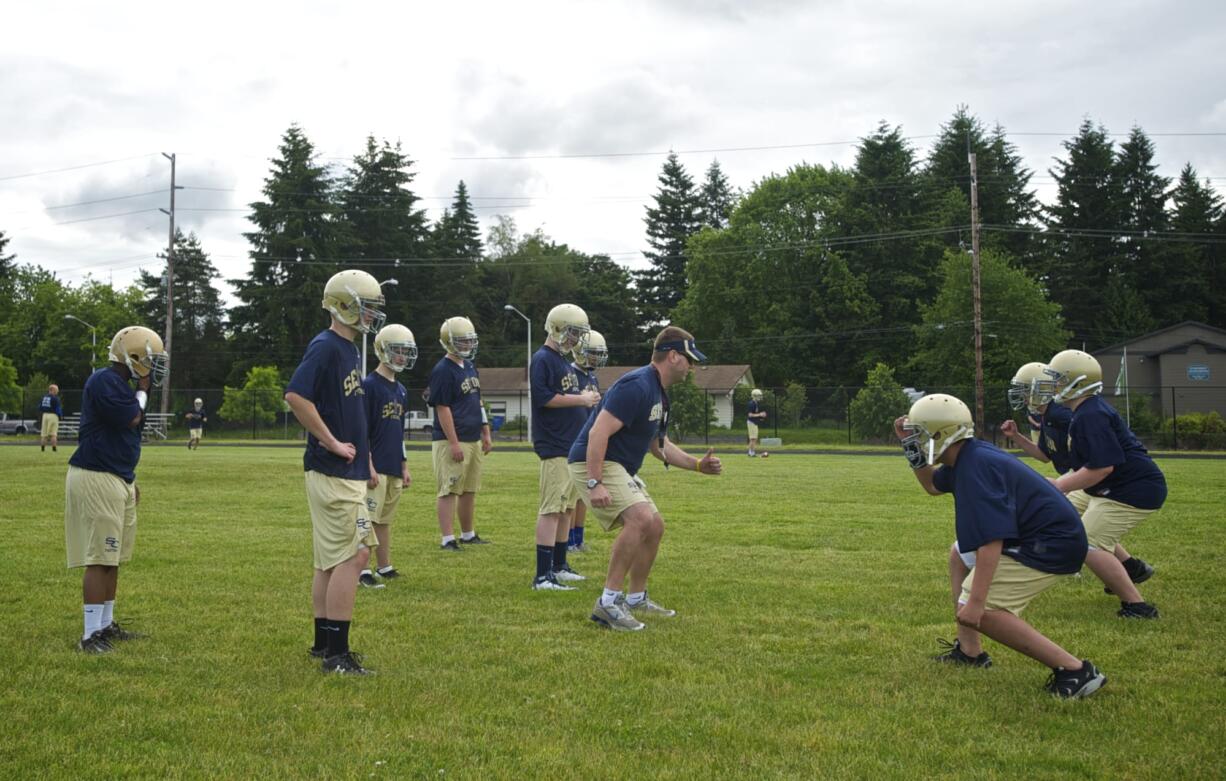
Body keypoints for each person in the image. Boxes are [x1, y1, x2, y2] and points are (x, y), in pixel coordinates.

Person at [896, 393, 1107, 699]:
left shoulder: (974, 467)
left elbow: (990, 541)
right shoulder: (967, 455)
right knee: (959, 554)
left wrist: (977, 604)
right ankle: (970, 652)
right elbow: (931, 486)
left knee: (986, 611)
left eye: (919, 436)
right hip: (1042, 534)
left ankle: (1076, 670)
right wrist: (908, 448)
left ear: (940, 435)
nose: (915, 442)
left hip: (1051, 543)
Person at [569, 326, 722, 631]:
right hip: (595, 462)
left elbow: (658, 445)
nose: (692, 367)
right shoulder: (636, 385)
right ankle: (608, 604)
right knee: (640, 519)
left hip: (618, 466)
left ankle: (636, 598)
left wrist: (696, 465)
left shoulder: (660, 395)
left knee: (654, 525)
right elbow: (599, 431)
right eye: (689, 359)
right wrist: (595, 481)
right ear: (673, 356)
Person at [284, 269, 385, 675]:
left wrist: (368, 462)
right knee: (356, 553)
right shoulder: (327, 346)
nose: (372, 315)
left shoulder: (348, 349)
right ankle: (337, 656)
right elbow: (295, 395)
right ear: (345, 305)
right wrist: (329, 441)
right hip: (332, 470)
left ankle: (323, 643)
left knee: (329, 560)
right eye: (367, 307)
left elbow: (351, 415)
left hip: (346, 470)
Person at [1001, 361, 1155, 598]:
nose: (1019, 394)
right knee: (1071, 519)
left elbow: (1100, 462)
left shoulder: (1071, 413)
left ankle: (1134, 600)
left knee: (1083, 535)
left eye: (1023, 388)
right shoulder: (1055, 414)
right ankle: (1130, 567)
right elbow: (1045, 455)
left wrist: (1062, 483)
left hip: (1100, 477)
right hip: (1093, 476)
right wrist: (1018, 438)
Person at [65, 326, 167, 653]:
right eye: (150, 359)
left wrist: (129, 479)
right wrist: (143, 389)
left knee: (113, 557)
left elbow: (125, 437)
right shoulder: (104, 381)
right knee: (100, 557)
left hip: (116, 475)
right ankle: (89, 634)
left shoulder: (119, 384)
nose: (154, 366)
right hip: (97, 475)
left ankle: (106, 624)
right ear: (132, 356)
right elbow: (131, 419)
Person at [1042, 349, 1164, 619]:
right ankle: (1130, 567)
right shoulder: (1085, 411)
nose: (1053, 386)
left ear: (1077, 382)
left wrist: (1059, 485)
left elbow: (1101, 468)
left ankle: (1137, 606)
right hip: (1115, 484)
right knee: (1066, 510)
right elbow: (1090, 467)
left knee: (1089, 543)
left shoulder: (1090, 415)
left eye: (1058, 379)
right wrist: (1060, 486)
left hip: (1131, 489)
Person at [530, 304, 600, 591]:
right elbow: (545, 397)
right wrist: (580, 400)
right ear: (557, 327)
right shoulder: (543, 358)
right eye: (572, 332)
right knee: (551, 510)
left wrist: (580, 396)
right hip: (554, 444)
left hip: (569, 446)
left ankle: (559, 565)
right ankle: (543, 575)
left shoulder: (561, 360)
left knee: (565, 509)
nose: (575, 339)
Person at [427, 316, 492, 551]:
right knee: (449, 489)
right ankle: (447, 538)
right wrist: (453, 443)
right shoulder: (443, 370)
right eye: (463, 341)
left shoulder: (470, 366)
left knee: (469, 489)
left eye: (469, 340)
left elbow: (478, 401)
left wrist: (485, 432)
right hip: (452, 439)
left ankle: (468, 534)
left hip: (472, 437)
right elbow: (442, 408)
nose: (468, 345)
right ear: (450, 341)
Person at [358, 324, 416, 589]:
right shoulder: (369, 386)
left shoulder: (401, 390)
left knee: (384, 520)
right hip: (375, 466)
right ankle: (362, 569)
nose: (402, 356)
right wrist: (368, 465)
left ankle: (384, 566)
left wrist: (404, 466)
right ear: (383, 350)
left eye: (406, 351)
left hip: (392, 465)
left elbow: (399, 432)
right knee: (368, 520)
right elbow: (362, 431)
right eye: (398, 351)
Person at [569, 329, 608, 554]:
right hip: (573, 437)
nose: (596, 358)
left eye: (598, 354)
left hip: (587, 439)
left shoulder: (592, 376)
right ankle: (568, 540)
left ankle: (578, 538)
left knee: (583, 496)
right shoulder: (570, 374)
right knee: (572, 497)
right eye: (592, 353)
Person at [40, 383, 63, 452]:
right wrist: (60, 416)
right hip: (53, 415)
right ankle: (54, 449)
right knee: (53, 434)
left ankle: (43, 449)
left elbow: (39, 407)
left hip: (44, 415)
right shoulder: (55, 399)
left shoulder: (44, 397)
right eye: (56, 390)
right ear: (52, 390)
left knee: (44, 434)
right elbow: (58, 409)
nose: (57, 391)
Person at [747, 388, 767, 457]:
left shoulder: (756, 403)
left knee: (754, 438)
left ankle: (751, 452)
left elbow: (754, 414)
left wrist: (761, 417)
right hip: (751, 422)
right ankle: (751, 452)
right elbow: (750, 415)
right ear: (754, 396)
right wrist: (760, 414)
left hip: (754, 422)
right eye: (758, 396)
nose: (760, 397)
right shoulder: (751, 403)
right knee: (753, 438)